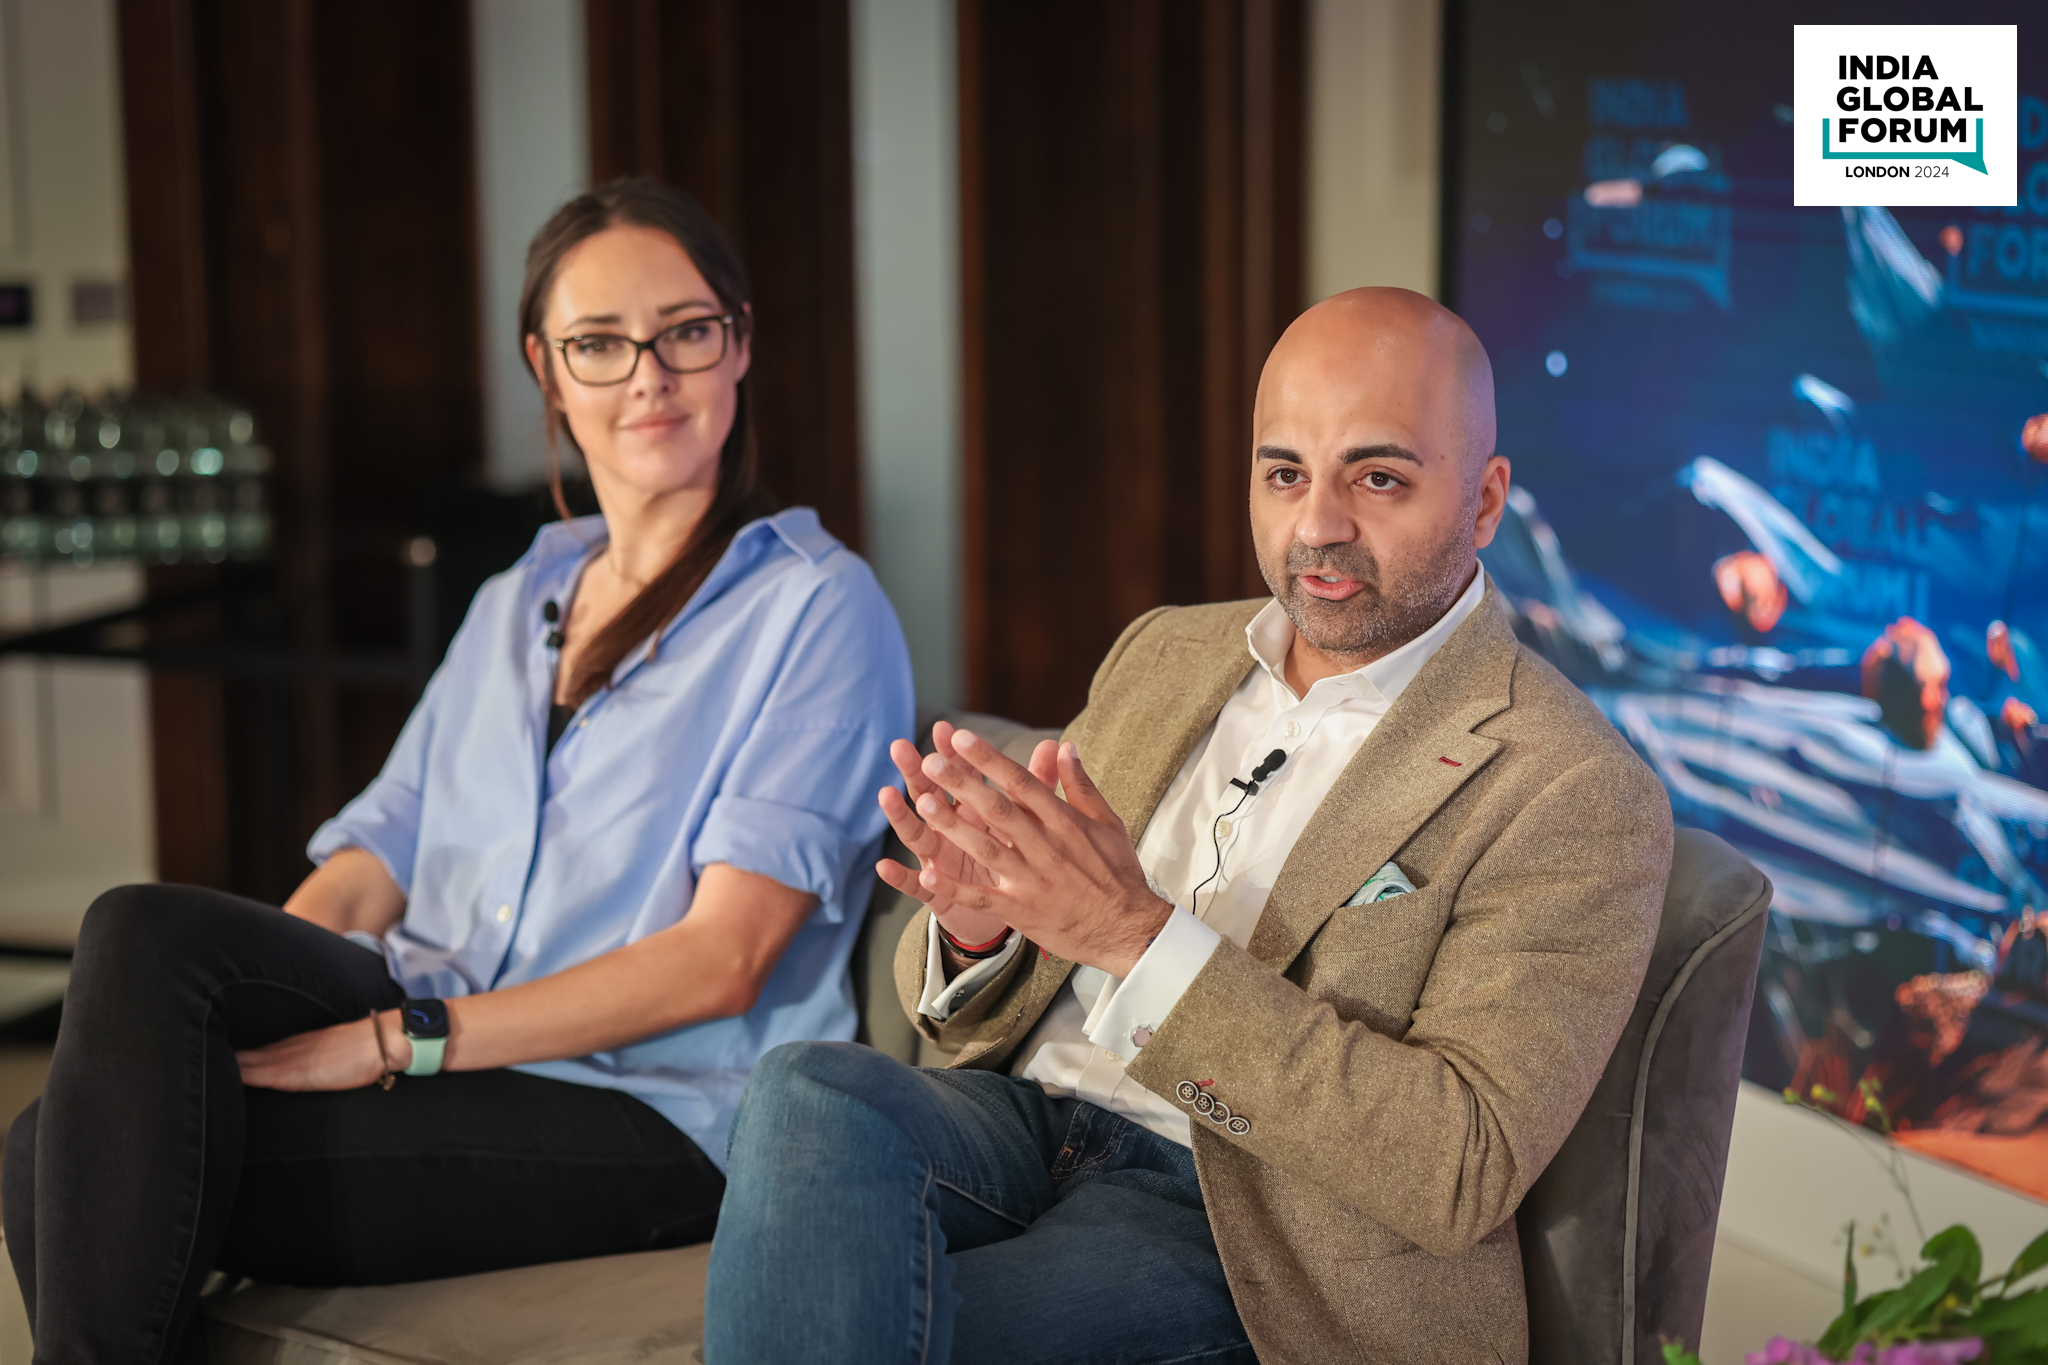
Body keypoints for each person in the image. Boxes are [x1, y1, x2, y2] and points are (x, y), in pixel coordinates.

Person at [2, 178, 913, 1363]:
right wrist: (231, 1035)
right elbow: (379, 850)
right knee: (128, 964)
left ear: (737, 344)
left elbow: (723, 959)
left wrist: (402, 1038)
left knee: (59, 1159)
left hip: (646, 1111)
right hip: (446, 1042)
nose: (648, 376)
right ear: (548, 370)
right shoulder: (517, 597)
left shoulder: (817, 607)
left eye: (685, 332)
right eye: (600, 344)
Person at [705, 288, 1674, 1365]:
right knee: (805, 1088)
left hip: (1248, 1219)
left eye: (1377, 478)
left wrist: (1133, 935)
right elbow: (965, 1019)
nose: (1318, 526)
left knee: (889, 1332)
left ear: (1485, 502)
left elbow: (1459, 1165)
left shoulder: (1570, 786)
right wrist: (984, 926)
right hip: (1028, 1117)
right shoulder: (1165, 652)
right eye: (1284, 474)